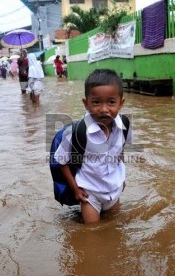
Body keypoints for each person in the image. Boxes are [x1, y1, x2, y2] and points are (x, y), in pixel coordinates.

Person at [53, 69, 132, 224]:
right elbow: (62, 162)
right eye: (96, 102)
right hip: (90, 195)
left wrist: (121, 179)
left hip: (115, 191)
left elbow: (120, 152)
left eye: (111, 102)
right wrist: (76, 190)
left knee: (114, 227)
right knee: (91, 233)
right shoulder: (77, 132)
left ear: (121, 103)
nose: (103, 109)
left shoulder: (124, 126)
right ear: (86, 103)